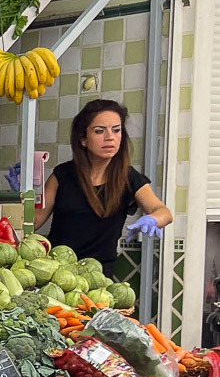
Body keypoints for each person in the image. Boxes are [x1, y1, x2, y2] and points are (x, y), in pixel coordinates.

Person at [36, 99, 171, 274]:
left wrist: (153, 219)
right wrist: (25, 194)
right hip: (55, 274)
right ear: (83, 139)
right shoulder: (62, 174)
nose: (110, 137)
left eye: (116, 130)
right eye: (99, 131)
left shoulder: (128, 177)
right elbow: (35, 220)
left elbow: (164, 212)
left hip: (98, 278)